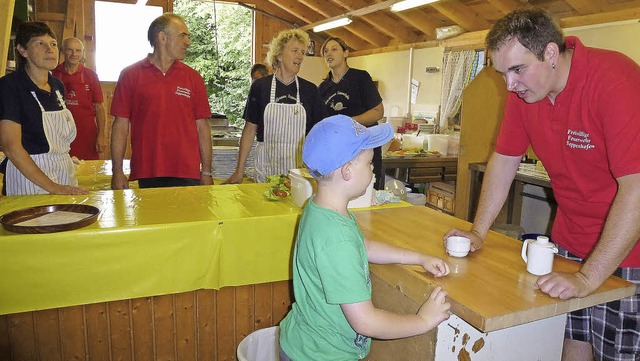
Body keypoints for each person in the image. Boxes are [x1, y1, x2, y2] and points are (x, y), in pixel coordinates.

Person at [444, 8, 640, 361]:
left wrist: (588, 278)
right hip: (569, 241)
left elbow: (637, 189)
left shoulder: (615, 80)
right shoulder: (524, 96)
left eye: (517, 70)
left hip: (629, 248)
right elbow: (504, 161)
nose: (509, 85)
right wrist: (478, 232)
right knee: (569, 344)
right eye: (503, 73)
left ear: (550, 53)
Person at [279, 115, 451, 361]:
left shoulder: (319, 209)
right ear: (347, 172)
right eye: (369, 162)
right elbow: (365, 321)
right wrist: (422, 320)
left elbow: (363, 246)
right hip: (321, 355)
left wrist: (418, 258)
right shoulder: (337, 239)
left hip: (303, 343)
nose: (373, 168)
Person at [110, 13, 212, 189]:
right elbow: (120, 126)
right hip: (148, 171)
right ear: (162, 38)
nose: (188, 42)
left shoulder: (193, 78)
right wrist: (117, 172)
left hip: (187, 172)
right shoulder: (131, 75)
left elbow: (202, 127)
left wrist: (207, 171)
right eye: (182, 36)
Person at [225, 29, 326, 184]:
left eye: (302, 52)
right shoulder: (260, 87)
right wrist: (239, 171)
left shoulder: (310, 90)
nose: (300, 56)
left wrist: (319, 172)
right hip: (266, 166)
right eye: (295, 51)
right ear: (279, 55)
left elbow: (318, 134)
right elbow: (250, 129)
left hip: (299, 170)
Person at [0, 22, 87, 196]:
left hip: (63, 174)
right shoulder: (10, 86)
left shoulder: (57, 85)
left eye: (53, 44)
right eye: (40, 43)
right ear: (22, 50)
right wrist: (53, 187)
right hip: (27, 180)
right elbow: (11, 147)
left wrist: (61, 183)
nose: (50, 49)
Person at [318, 37, 385, 189]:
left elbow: (378, 112)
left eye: (334, 49)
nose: (329, 53)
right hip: (339, 153)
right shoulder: (322, 89)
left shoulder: (361, 78)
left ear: (346, 53)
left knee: (368, 193)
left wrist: (348, 123)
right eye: (326, 51)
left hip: (365, 148)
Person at [52, 37, 107, 160]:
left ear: (82, 53)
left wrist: (101, 135)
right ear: (63, 51)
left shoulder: (90, 75)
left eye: (78, 51)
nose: (74, 54)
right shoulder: (53, 74)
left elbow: (99, 107)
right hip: (59, 135)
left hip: (86, 135)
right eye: (70, 50)